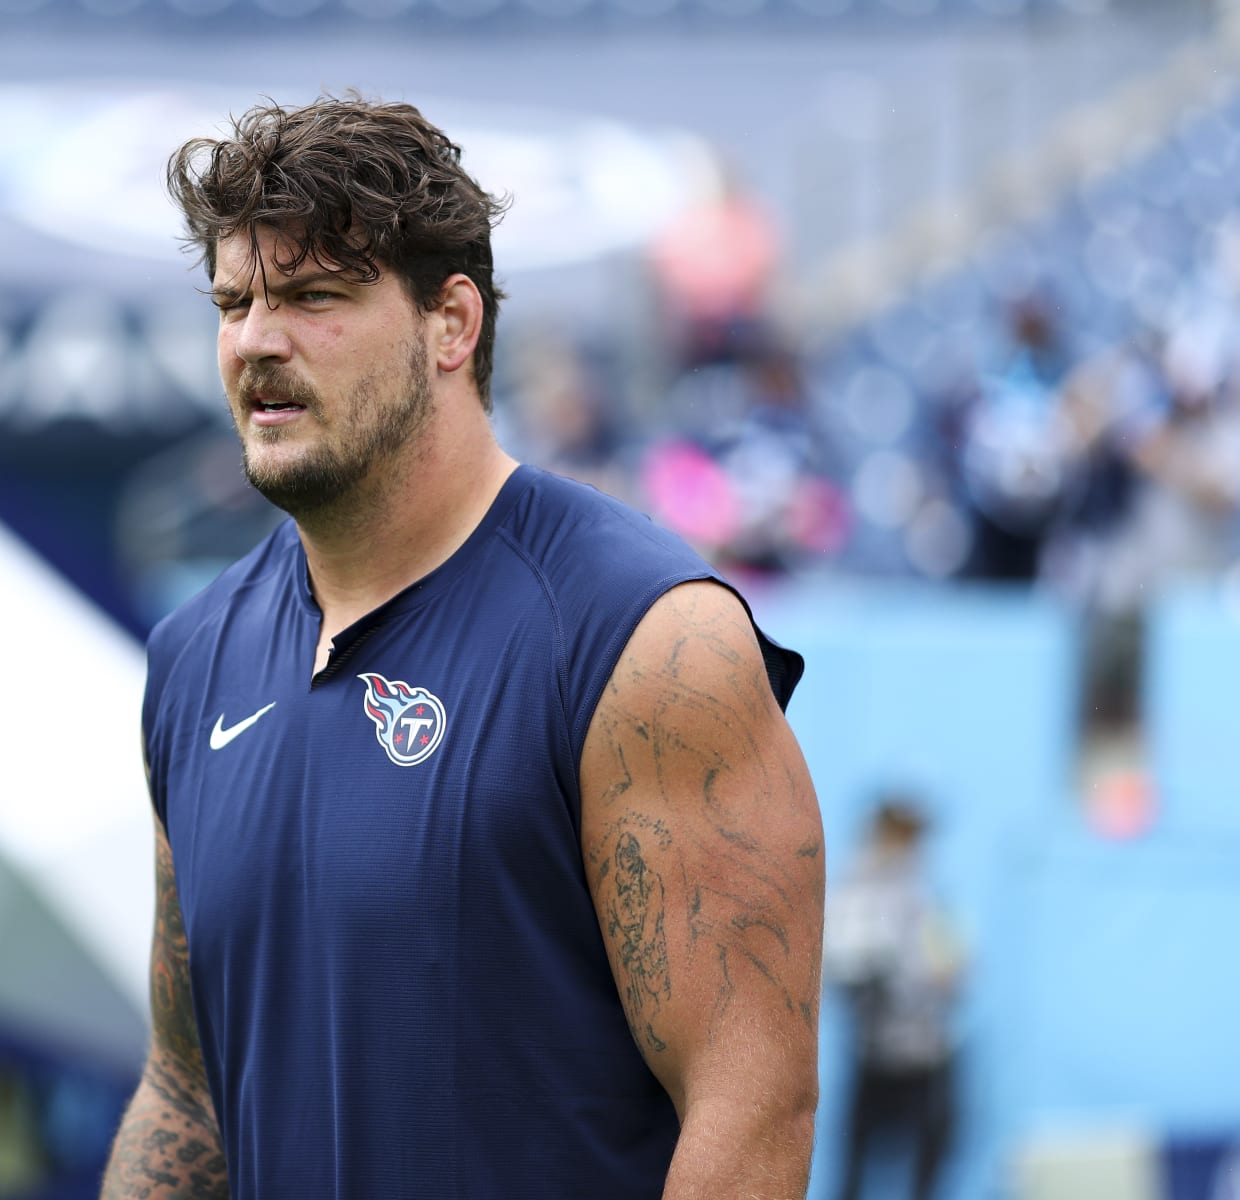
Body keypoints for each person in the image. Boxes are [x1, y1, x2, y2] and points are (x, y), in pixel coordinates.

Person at [101, 95, 825, 1200]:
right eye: (234, 301)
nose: (257, 340)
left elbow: (751, 1107)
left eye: (313, 297)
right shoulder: (194, 658)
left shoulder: (640, 637)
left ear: (452, 323)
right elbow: (185, 1089)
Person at [826, 796, 965, 1200]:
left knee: (928, 1168)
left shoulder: (926, 893)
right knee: (855, 1170)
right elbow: (843, 961)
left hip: (927, 1055)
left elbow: (950, 969)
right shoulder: (855, 890)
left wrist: (943, 974)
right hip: (875, 1056)